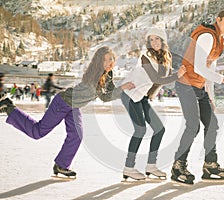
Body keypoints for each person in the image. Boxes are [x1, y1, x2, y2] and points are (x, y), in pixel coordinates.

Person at [0, 46, 135, 178]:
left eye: (111, 59)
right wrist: (123, 88)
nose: (109, 63)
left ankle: (61, 165)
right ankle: (10, 107)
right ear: (99, 61)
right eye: (106, 60)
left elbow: (111, 91)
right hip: (63, 103)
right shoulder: (95, 75)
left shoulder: (107, 74)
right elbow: (105, 97)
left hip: (74, 106)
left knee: (77, 135)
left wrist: (125, 89)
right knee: (38, 132)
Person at [170, 9, 224, 184]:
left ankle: (210, 164)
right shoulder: (207, 36)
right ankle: (178, 166)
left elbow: (209, 71)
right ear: (218, 20)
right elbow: (200, 67)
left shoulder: (219, 40)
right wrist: (223, 79)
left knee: (212, 124)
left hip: (199, 88)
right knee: (193, 126)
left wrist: (211, 98)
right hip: (186, 85)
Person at [121, 26, 186, 180]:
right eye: (151, 39)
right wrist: (178, 75)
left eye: (157, 39)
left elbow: (162, 81)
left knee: (159, 129)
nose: (154, 42)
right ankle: (128, 167)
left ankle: (151, 166)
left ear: (163, 41)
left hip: (141, 97)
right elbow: (156, 79)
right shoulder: (145, 56)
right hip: (130, 95)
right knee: (140, 130)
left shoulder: (165, 57)